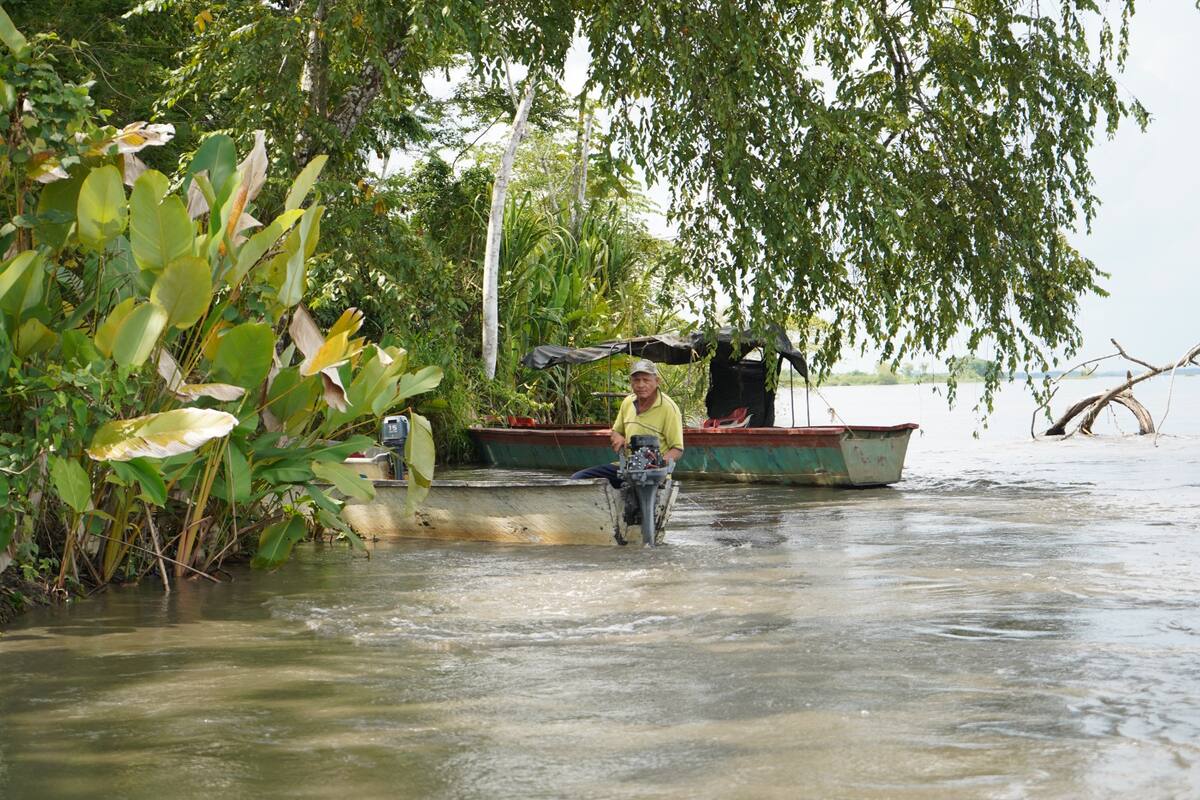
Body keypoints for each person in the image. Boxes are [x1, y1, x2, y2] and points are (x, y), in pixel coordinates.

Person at [571, 359, 685, 487]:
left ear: (657, 381)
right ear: (631, 382)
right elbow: (616, 432)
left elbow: (677, 449)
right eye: (636, 380)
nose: (641, 385)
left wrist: (658, 464)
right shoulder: (627, 402)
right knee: (578, 478)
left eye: (646, 380)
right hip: (626, 468)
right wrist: (618, 438)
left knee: (639, 485)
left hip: (654, 474)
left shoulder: (669, 408)